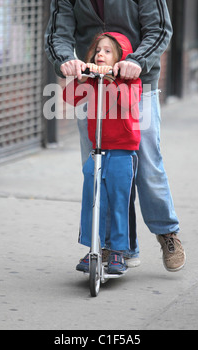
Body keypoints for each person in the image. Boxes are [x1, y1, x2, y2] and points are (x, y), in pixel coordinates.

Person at [45, 0, 186, 272]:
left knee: (146, 168)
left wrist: (137, 59)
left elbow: (160, 30)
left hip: (138, 88)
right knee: (100, 171)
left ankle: (166, 232)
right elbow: (57, 36)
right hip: (94, 90)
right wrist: (66, 60)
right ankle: (114, 248)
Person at [63, 32, 142, 274]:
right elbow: (69, 98)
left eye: (107, 51)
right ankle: (94, 248)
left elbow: (128, 102)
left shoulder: (130, 81)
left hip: (122, 151)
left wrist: (109, 78)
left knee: (119, 201)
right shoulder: (91, 79)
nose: (100, 54)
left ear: (120, 58)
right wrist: (81, 77)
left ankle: (119, 251)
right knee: (94, 199)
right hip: (97, 150)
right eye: (98, 50)